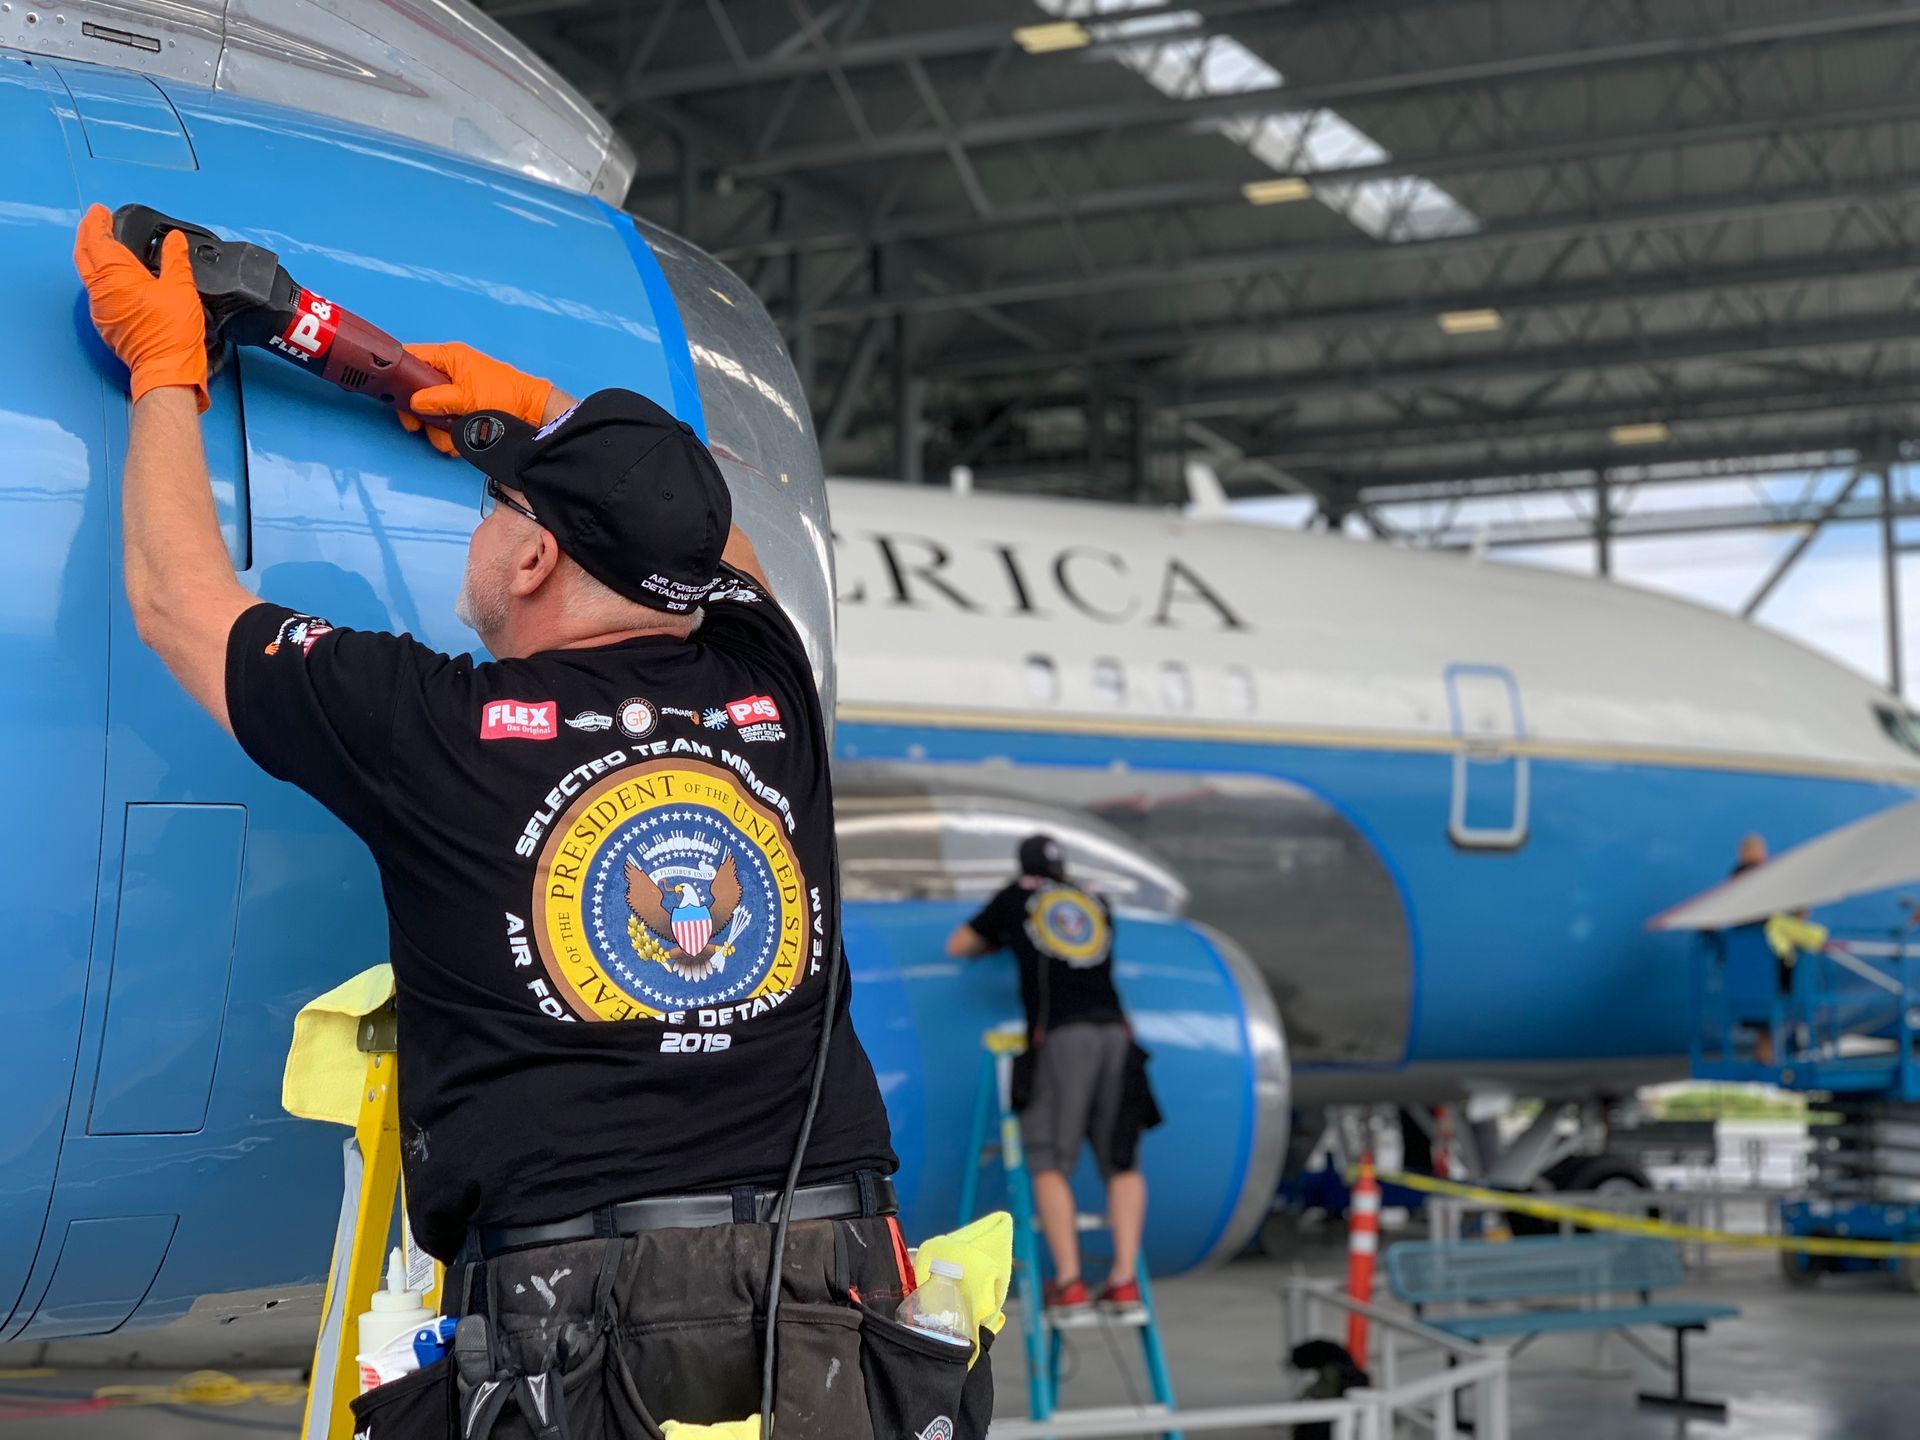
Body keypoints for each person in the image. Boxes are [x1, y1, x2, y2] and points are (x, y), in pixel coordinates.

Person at [72, 206, 972, 1439]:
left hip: (580, 1319)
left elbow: (180, 600)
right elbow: (715, 543)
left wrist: (162, 375)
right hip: (838, 1289)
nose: (478, 529)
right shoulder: (776, 687)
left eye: (496, 510)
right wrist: (534, 426)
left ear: (538, 559)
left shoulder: (434, 729)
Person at [945, 834, 1152, 1315]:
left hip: (1062, 1036)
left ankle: (1071, 1282)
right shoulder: (1093, 898)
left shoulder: (1017, 896)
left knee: (1047, 1161)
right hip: (1117, 1035)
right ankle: (1124, 1279)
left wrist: (1000, 941)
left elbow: (959, 944)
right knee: (1122, 1160)